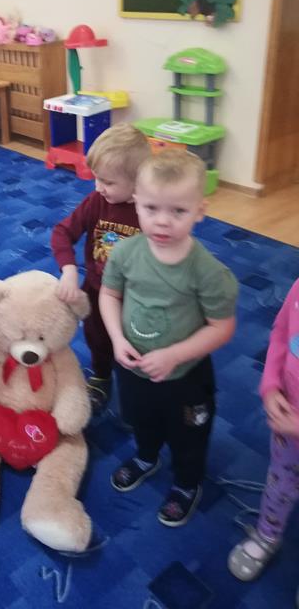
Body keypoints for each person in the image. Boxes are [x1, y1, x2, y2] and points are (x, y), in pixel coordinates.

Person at [100, 150, 238, 526]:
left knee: (188, 435)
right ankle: (146, 456)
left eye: (178, 210)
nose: (162, 221)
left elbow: (222, 328)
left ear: (200, 211)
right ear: (136, 203)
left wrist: (174, 355)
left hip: (185, 378)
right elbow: (109, 295)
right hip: (133, 367)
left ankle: (187, 483)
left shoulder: (209, 273)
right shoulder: (125, 252)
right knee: (140, 418)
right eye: (151, 208)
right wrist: (116, 338)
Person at [51, 123, 150, 413]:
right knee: (97, 337)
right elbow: (62, 232)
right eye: (96, 178)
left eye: (107, 181)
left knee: (139, 345)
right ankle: (101, 376)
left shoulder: (151, 211)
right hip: (96, 289)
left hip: (137, 298)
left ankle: (136, 386)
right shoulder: (96, 201)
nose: (98, 187)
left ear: (138, 181)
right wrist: (69, 269)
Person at [228, 277, 299, 588]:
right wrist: (271, 385)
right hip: (288, 427)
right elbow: (282, 334)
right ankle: (268, 533)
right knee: (280, 481)